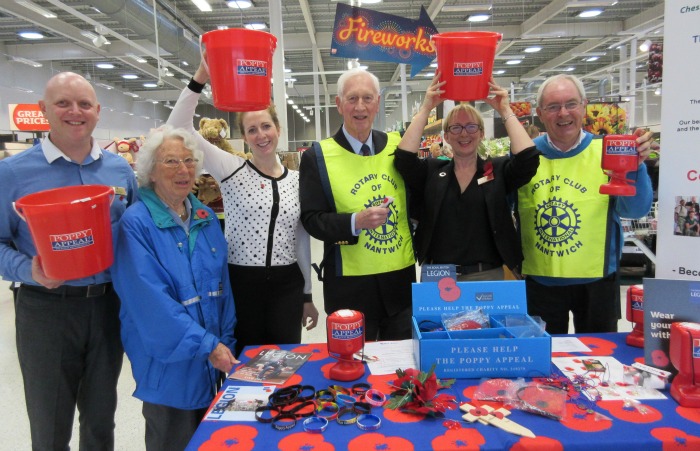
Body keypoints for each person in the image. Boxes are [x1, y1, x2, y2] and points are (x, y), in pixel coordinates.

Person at [0, 72, 138, 450]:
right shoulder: (12, 174)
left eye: (84, 104)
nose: (74, 112)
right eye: (63, 103)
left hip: (108, 306)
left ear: (97, 112)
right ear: (43, 110)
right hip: (46, 310)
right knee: (50, 421)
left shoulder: (119, 170)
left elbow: (138, 234)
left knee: (100, 417)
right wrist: (27, 269)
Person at [167, 59, 318, 356]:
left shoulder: (298, 181)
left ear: (277, 128)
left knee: (284, 367)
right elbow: (177, 127)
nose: (261, 135)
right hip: (240, 285)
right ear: (244, 137)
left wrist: (307, 294)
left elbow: (301, 240)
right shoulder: (230, 169)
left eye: (266, 126)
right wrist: (202, 76)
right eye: (252, 130)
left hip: (287, 286)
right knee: (244, 368)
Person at [111, 125, 238, 451]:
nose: (183, 170)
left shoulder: (206, 217)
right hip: (169, 369)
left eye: (188, 160)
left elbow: (223, 290)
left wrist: (225, 339)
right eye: (170, 162)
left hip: (210, 367)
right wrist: (209, 345)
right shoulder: (136, 224)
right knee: (173, 441)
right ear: (150, 172)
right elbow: (150, 304)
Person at [517, 74, 656, 334]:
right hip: (539, 282)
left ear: (584, 106)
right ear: (540, 113)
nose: (563, 113)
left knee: (600, 361)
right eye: (553, 106)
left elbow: (635, 210)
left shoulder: (610, 150)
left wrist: (635, 167)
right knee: (542, 364)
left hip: (598, 281)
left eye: (571, 104)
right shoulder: (524, 156)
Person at [299, 68, 416, 341]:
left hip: (400, 288)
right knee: (351, 374)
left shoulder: (399, 149)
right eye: (352, 99)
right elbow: (312, 219)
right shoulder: (317, 156)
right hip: (348, 292)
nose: (360, 107)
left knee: (400, 375)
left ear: (377, 102)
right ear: (339, 104)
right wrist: (354, 222)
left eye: (367, 98)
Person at [395, 75, 540, 280]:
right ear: (446, 136)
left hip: (487, 275)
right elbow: (404, 160)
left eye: (471, 127)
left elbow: (528, 160)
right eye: (456, 127)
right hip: (438, 276)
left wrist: (505, 110)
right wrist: (426, 108)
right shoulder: (433, 171)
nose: (464, 134)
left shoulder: (496, 170)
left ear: (481, 134)